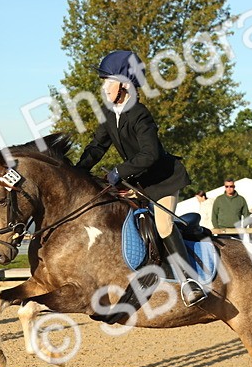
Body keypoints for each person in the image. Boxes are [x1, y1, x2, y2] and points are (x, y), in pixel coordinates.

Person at [75, 49, 204, 305]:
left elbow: (150, 154)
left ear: (123, 85)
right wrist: (78, 170)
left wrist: (119, 171)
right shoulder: (110, 113)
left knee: (163, 225)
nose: (103, 88)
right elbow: (97, 146)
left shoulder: (140, 114)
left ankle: (190, 281)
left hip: (163, 180)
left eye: (107, 82)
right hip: (139, 181)